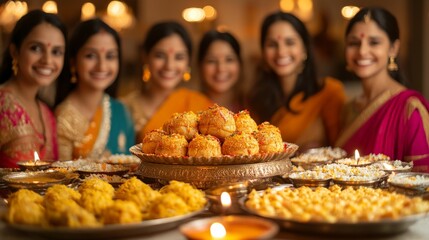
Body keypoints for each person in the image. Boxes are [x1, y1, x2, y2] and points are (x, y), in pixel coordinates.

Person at [335, 7, 429, 172]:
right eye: (354, 43)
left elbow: (422, 183)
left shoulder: (410, 108)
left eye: (374, 42)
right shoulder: (348, 109)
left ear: (393, 48)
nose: (362, 51)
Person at [247, 11, 346, 151]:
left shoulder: (329, 92)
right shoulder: (255, 100)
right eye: (272, 44)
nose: (281, 52)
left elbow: (341, 150)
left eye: (290, 42)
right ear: (263, 52)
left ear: (305, 49)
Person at [54, 18, 135, 160]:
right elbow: (63, 177)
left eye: (110, 56)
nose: (102, 66)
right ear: (73, 62)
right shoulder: (63, 118)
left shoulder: (121, 111)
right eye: (90, 56)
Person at [121, 21, 212, 142]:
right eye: (160, 55)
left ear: (188, 62)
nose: (169, 66)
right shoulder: (124, 108)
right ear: (145, 57)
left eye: (179, 57)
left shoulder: (200, 106)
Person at [0, 10, 67, 167]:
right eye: (36, 48)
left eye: (56, 52)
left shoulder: (47, 114)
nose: (47, 60)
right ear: (14, 51)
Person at [197, 30, 245, 113]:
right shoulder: (189, 107)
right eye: (211, 60)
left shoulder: (254, 108)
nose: (221, 68)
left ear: (240, 63)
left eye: (229, 60)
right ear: (200, 65)